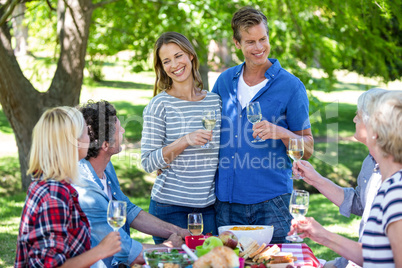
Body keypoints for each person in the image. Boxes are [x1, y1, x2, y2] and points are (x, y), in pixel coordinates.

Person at [211, 6, 313, 243]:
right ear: (237, 44)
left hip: (273, 203)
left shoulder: (291, 86)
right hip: (227, 202)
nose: (258, 48)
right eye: (250, 42)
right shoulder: (225, 81)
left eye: (262, 39)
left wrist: (281, 132)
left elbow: (308, 148)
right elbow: (211, 130)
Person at [289, 91, 402, 267]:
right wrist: (322, 235)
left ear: (376, 133)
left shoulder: (396, 193)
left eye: (361, 117)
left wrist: (324, 236)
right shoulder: (388, 184)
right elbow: (373, 255)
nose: (354, 120)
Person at [74, 100, 190, 267]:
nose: (123, 130)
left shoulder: (105, 168)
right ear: (105, 145)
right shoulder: (87, 193)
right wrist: (169, 248)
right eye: (118, 129)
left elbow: (126, 209)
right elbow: (127, 252)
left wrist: (178, 231)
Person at [15, 107, 121, 267]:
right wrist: (101, 250)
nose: (90, 138)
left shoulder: (52, 184)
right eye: (86, 133)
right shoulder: (54, 195)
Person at [141, 32, 222, 241]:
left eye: (178, 56)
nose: (174, 64)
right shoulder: (160, 105)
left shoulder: (215, 101)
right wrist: (185, 140)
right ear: (162, 67)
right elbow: (148, 162)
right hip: (169, 209)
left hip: (208, 209)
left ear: (191, 56)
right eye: (166, 61)